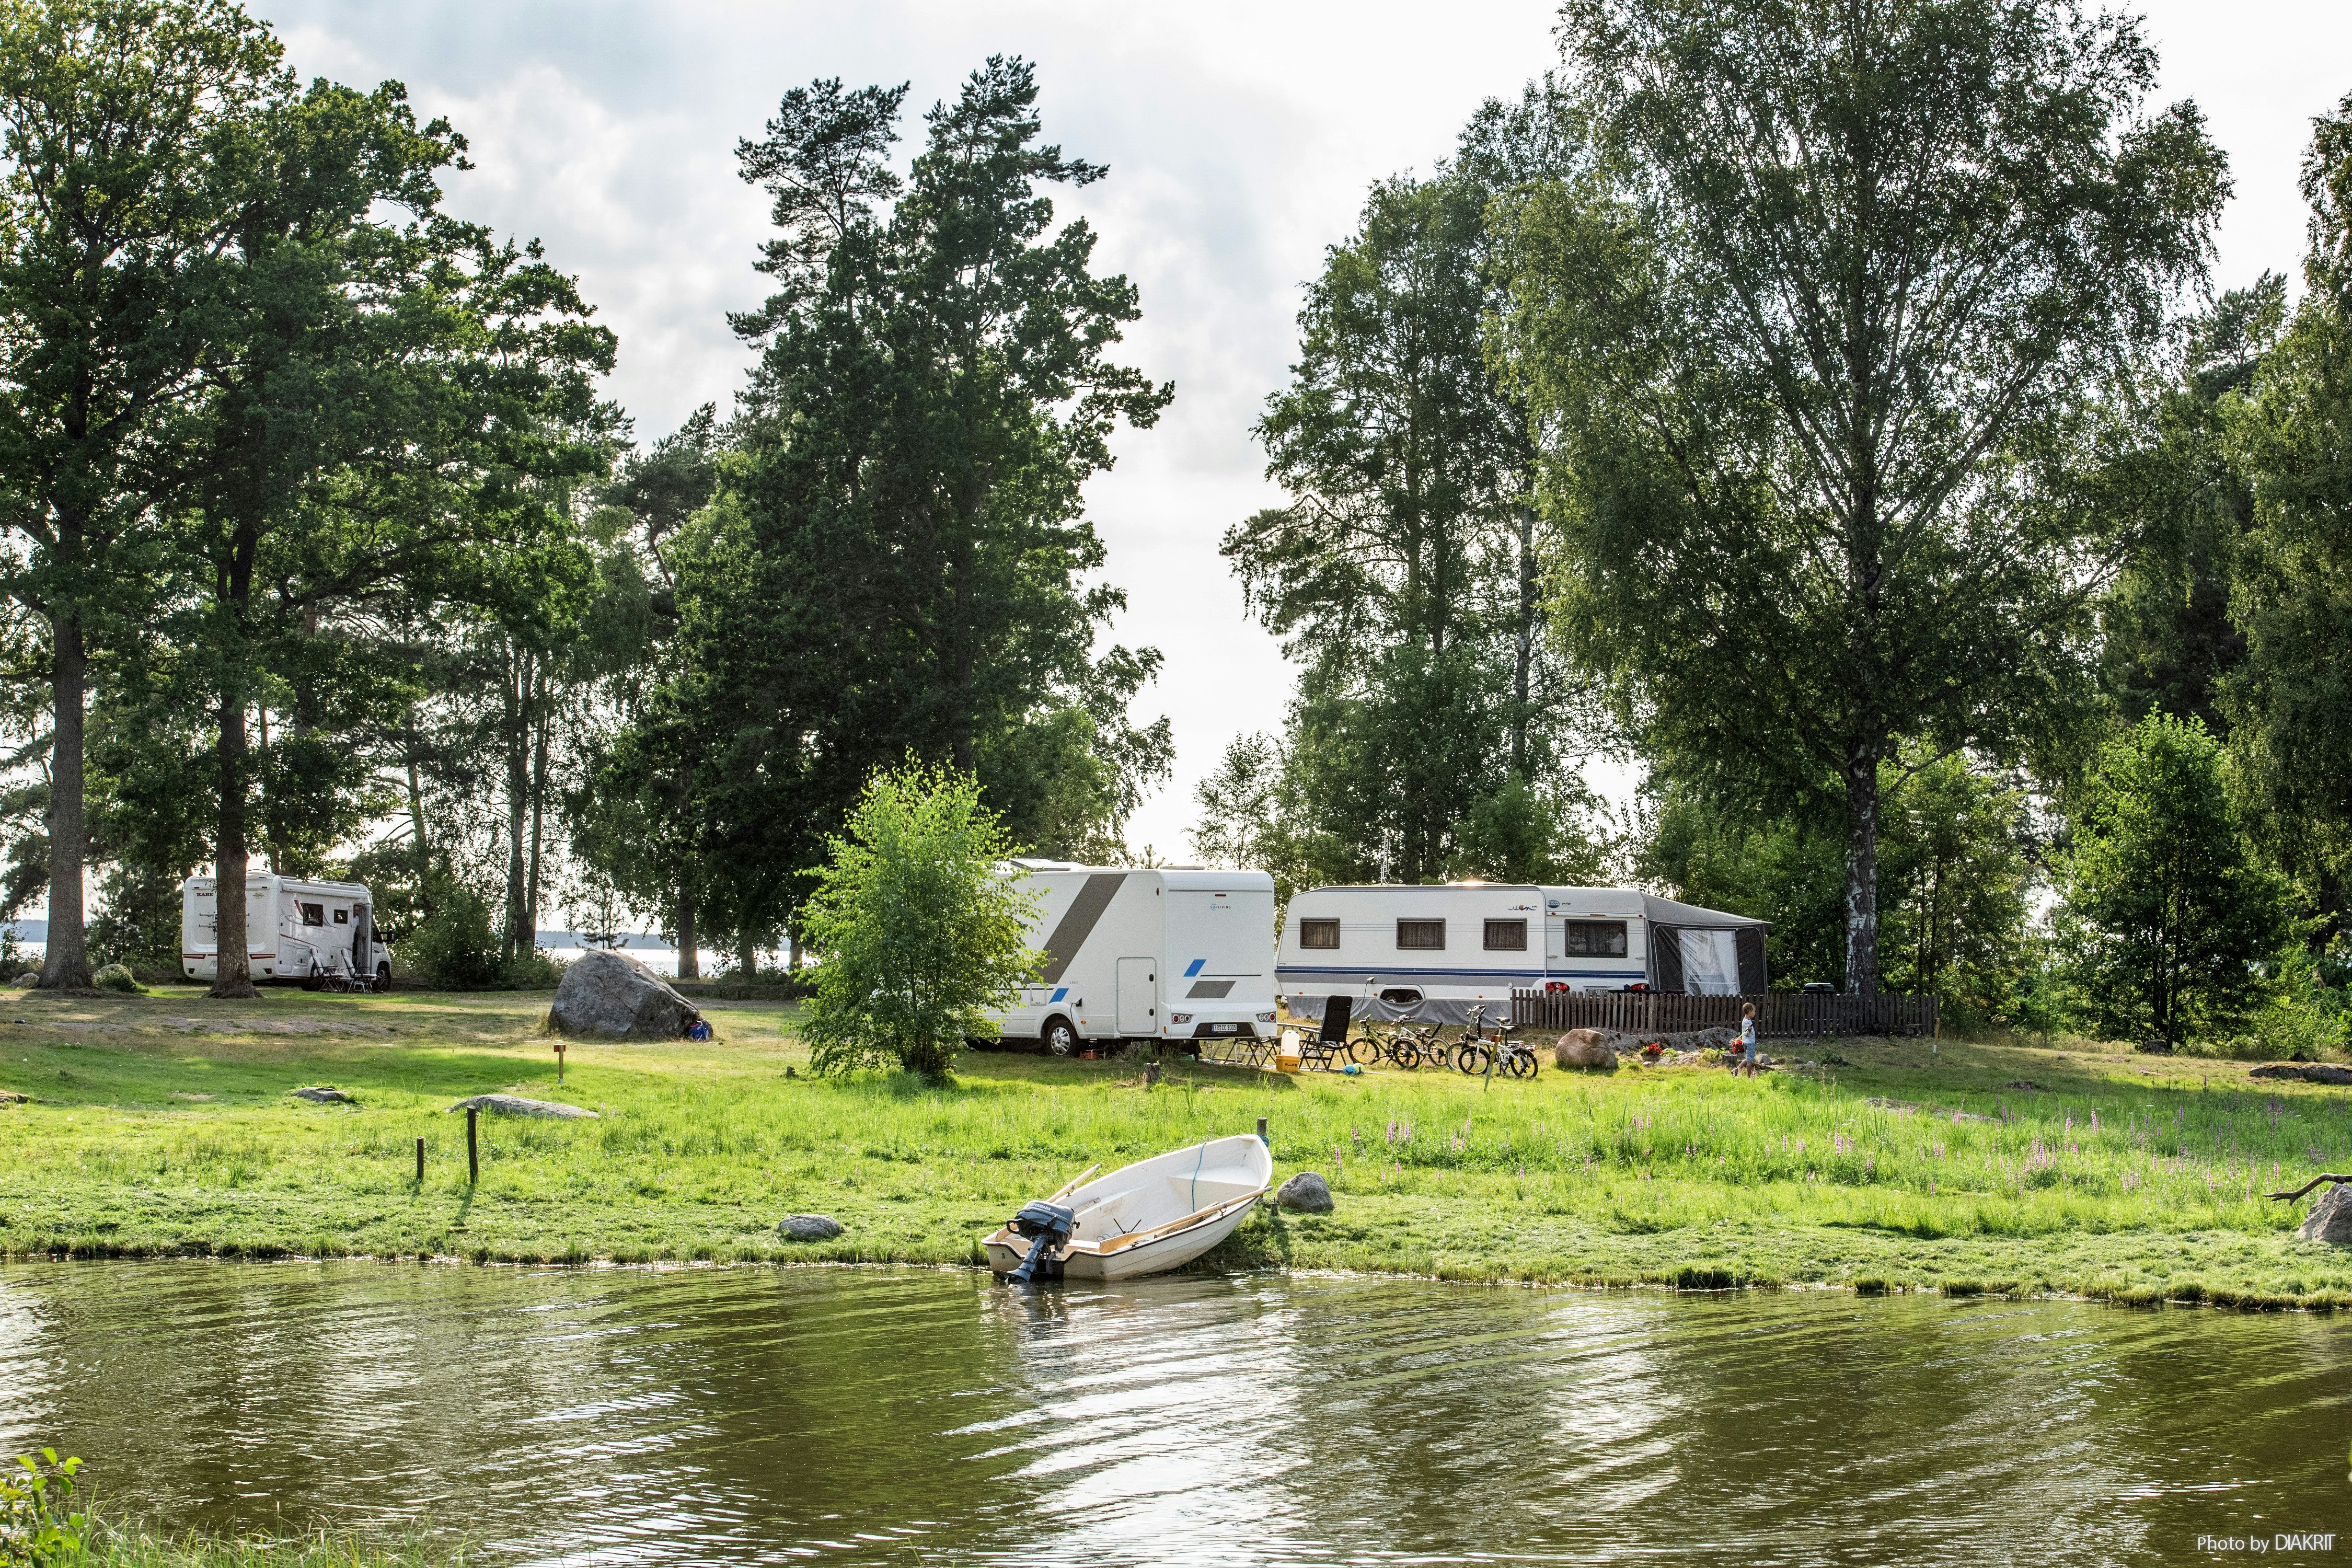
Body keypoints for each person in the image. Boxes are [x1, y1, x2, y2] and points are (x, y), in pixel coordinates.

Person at [1738, 1002, 1760, 1078]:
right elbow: (1746, 1034)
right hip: (1750, 1043)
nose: (1755, 1013)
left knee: (1748, 1059)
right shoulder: (1747, 1022)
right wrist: (1749, 1031)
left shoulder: (1746, 1020)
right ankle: (1749, 1077)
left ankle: (1736, 1070)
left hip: (1746, 1042)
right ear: (1750, 1012)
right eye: (1754, 1011)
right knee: (1750, 1061)